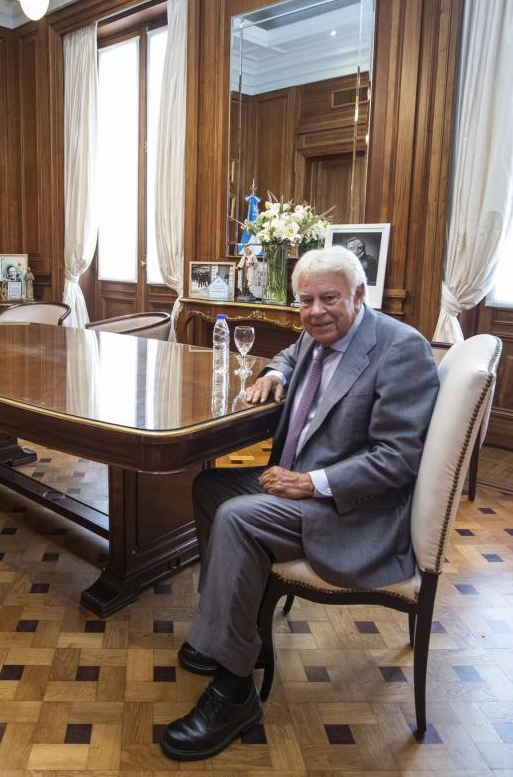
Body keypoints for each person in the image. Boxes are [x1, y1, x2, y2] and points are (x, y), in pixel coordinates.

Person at [161, 245, 440, 761]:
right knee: (210, 489)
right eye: (305, 300)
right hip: (305, 488)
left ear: (359, 295)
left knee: (238, 518)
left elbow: (398, 459)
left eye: (329, 298)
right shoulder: (317, 332)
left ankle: (234, 690)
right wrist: (276, 372)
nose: (314, 311)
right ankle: (239, 631)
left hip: (356, 510)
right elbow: (292, 353)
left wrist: (313, 483)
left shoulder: (401, 349)